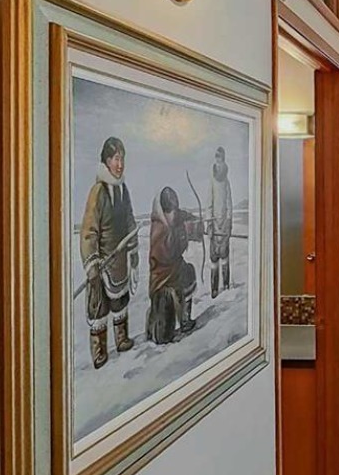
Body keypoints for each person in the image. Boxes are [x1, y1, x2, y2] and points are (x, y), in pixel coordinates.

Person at [80, 136, 139, 369]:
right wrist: (92, 264)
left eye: (122, 159)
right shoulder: (98, 191)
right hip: (102, 263)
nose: (120, 164)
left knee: (120, 301)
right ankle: (99, 351)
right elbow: (88, 231)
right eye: (116, 159)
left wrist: (133, 250)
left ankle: (122, 339)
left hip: (120, 260)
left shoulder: (123, 190)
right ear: (106, 161)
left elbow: (130, 220)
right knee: (100, 306)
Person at [146, 186, 204, 344]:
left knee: (189, 273)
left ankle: (185, 320)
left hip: (175, 268)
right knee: (164, 334)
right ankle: (160, 324)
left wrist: (195, 222)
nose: (174, 215)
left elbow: (184, 216)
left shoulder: (174, 215)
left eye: (174, 210)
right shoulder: (159, 227)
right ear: (164, 211)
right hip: (162, 276)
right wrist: (185, 233)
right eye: (171, 212)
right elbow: (170, 253)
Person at [207, 146, 233, 297]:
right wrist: (209, 224)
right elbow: (209, 203)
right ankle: (214, 289)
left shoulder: (226, 182)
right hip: (214, 224)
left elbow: (229, 203)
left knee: (225, 254)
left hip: (224, 225)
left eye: (221, 159)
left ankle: (226, 285)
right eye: (217, 159)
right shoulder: (212, 181)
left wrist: (228, 222)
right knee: (214, 257)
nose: (219, 162)